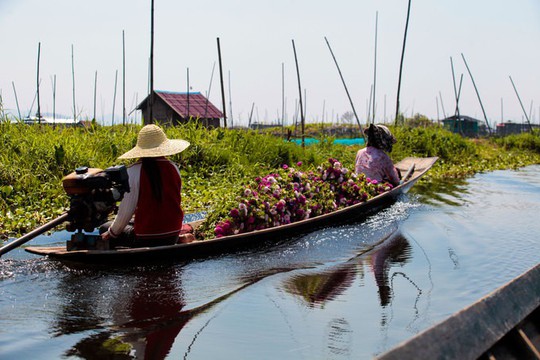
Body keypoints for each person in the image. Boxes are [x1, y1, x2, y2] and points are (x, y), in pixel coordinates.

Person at [100, 124, 192, 248]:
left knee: (104, 227)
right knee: (131, 223)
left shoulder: (134, 171)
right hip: (172, 234)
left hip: (146, 238)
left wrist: (111, 233)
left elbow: (125, 212)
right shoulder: (173, 167)